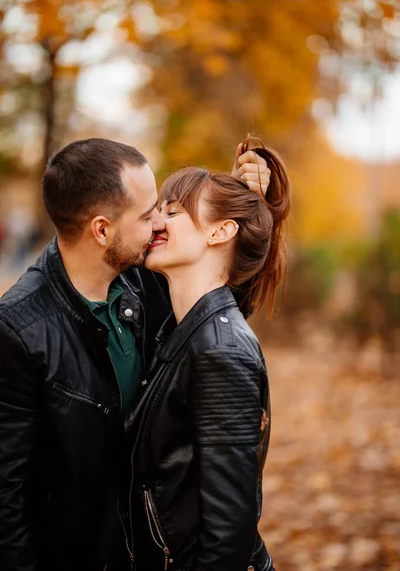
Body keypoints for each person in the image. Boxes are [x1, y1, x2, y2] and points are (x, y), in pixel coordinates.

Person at [0, 137, 270, 571]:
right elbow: (7, 497)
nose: (159, 223)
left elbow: (215, 294)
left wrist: (239, 203)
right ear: (102, 230)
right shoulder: (18, 329)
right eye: (148, 215)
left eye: (164, 209)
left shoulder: (143, 280)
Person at [125, 138, 290, 571]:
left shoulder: (220, 351)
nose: (156, 222)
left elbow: (228, 533)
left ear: (221, 232)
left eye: (172, 211)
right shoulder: (180, 329)